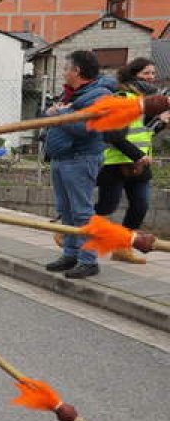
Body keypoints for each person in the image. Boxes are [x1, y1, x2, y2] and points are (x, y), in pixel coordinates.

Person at [43, 50, 113, 279]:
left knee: (82, 212)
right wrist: (54, 113)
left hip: (80, 159)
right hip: (62, 158)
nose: (63, 72)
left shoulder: (99, 95)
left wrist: (61, 115)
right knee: (66, 211)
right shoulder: (70, 94)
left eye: (65, 68)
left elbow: (87, 127)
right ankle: (70, 254)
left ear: (77, 71)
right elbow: (52, 116)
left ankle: (88, 260)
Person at [96, 57, 159, 265]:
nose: (151, 77)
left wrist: (162, 123)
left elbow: (143, 132)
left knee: (140, 206)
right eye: (146, 73)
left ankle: (122, 248)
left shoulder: (147, 102)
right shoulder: (122, 98)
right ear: (134, 75)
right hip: (116, 163)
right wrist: (138, 155)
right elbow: (112, 135)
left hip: (140, 166)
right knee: (106, 207)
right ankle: (70, 231)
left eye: (152, 73)